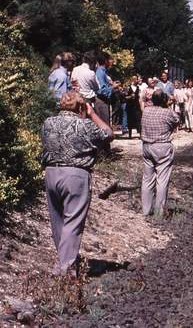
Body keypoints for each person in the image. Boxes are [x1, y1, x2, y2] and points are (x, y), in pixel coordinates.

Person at [41, 91, 113, 277]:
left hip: (51, 173)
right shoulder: (86, 125)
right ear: (81, 108)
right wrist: (92, 113)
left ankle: (64, 261)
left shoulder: (48, 123)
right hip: (75, 175)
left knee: (58, 222)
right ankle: (64, 270)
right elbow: (108, 134)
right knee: (73, 221)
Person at [140, 90, 180, 218]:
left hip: (146, 146)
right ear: (164, 100)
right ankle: (160, 212)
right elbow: (177, 120)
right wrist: (169, 105)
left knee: (147, 179)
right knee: (162, 180)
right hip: (162, 147)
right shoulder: (167, 113)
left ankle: (145, 211)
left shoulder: (146, 111)